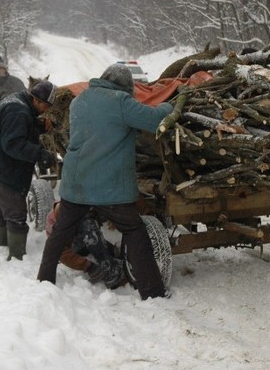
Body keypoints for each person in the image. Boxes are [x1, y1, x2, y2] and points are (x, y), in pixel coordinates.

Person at [37, 64, 174, 299]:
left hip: (76, 182)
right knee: (134, 230)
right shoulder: (120, 101)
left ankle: (43, 280)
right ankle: (152, 292)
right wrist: (169, 104)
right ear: (124, 86)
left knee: (60, 233)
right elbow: (154, 120)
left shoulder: (80, 100)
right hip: (109, 187)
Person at [0, 80, 57, 260]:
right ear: (37, 100)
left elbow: (17, 128)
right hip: (1, 165)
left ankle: (1, 243)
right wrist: (40, 154)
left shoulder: (18, 100)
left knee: (0, 205)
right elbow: (13, 143)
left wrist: (38, 126)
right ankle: (16, 258)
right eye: (46, 106)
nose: (46, 110)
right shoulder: (18, 111)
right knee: (15, 211)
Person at [45, 201, 126, 289]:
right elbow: (62, 253)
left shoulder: (86, 203)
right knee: (88, 227)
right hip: (75, 245)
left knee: (92, 230)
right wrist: (87, 266)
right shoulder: (56, 224)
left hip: (82, 231)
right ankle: (110, 273)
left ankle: (110, 256)